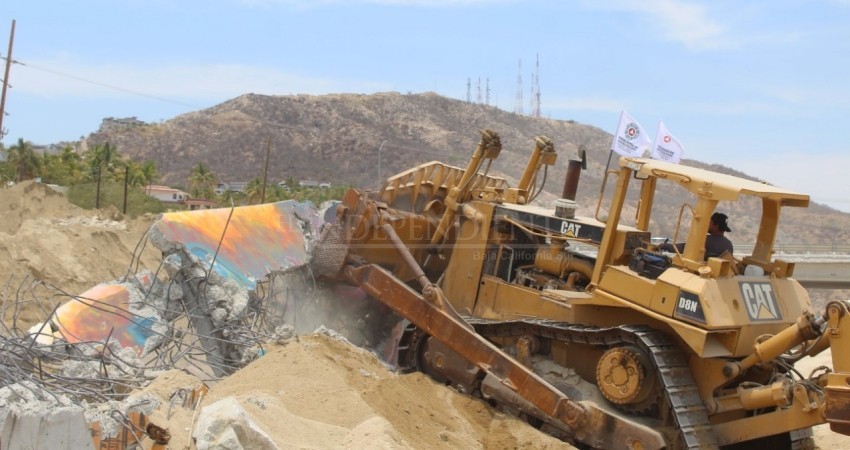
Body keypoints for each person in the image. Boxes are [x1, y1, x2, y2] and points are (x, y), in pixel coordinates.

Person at [660, 212, 733, 258]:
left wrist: (665, 246)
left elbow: (685, 248)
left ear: (716, 226)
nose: (707, 225)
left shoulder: (705, 240)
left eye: (710, 223)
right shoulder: (729, 245)